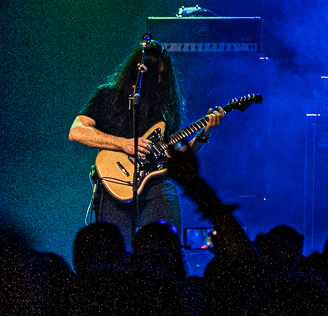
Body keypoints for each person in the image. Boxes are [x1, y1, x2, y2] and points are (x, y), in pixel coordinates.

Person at [67, 37, 219, 233]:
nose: (159, 81)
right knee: (115, 246)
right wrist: (123, 144)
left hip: (157, 184)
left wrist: (203, 136)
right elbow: (77, 131)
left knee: (165, 242)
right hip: (115, 182)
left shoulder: (166, 106)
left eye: (163, 75)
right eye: (155, 74)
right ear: (140, 71)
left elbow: (177, 156)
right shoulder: (107, 96)